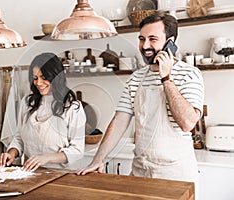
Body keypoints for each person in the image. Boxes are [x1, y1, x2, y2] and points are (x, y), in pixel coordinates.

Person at [76, 11, 204, 183]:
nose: (145, 46)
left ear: (170, 43)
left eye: (153, 39)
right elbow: (120, 121)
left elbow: (187, 123)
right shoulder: (136, 78)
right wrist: (98, 159)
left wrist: (166, 77)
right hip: (140, 172)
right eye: (142, 39)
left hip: (175, 175)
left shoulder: (189, 74)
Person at [0, 52, 86, 171]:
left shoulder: (72, 107)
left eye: (44, 78)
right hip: (31, 172)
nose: (38, 83)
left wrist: (46, 158)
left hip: (62, 174)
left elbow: (77, 151)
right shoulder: (27, 103)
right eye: (35, 78)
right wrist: (11, 153)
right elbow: (19, 137)